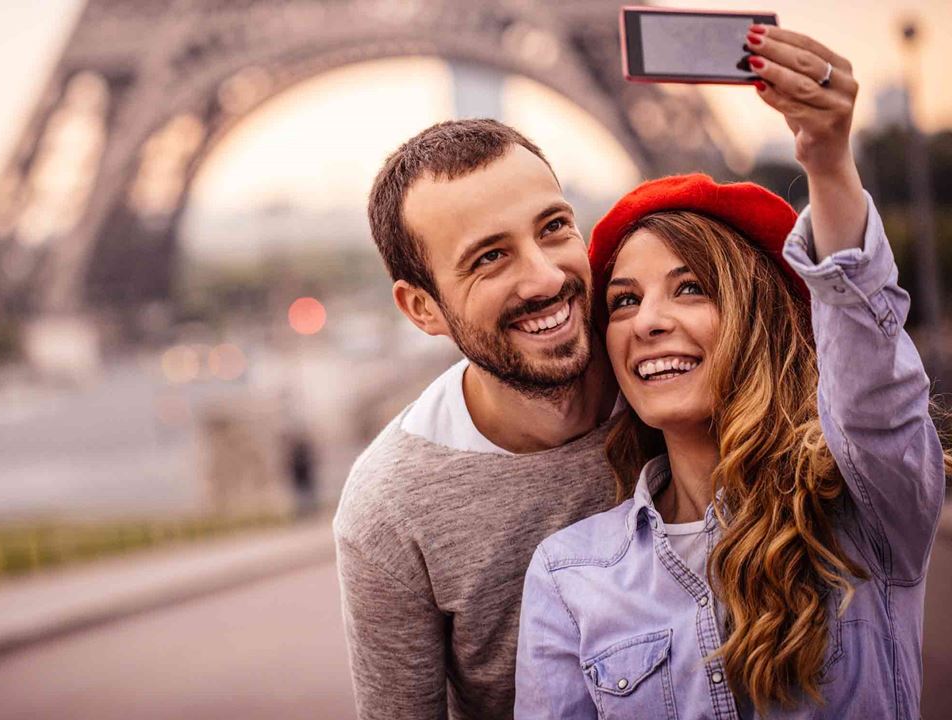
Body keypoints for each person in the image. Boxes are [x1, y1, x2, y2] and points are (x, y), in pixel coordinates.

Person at [515, 25, 950, 719]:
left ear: (759, 318)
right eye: (623, 300)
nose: (647, 320)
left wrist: (830, 165)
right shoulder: (569, 576)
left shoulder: (864, 508)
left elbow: (873, 384)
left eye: (690, 288)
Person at [334, 117, 619, 718]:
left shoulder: (677, 382)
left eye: (555, 227)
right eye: (490, 257)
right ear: (422, 307)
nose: (545, 277)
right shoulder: (389, 510)